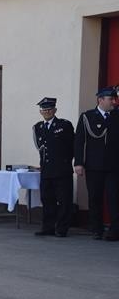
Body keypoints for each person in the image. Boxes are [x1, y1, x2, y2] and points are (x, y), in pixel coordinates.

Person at [74, 87, 119, 241]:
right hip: (94, 166)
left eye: (115, 99)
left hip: (114, 166)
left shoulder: (117, 115)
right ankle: (96, 228)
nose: (114, 102)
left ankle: (115, 230)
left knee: (114, 198)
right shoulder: (87, 117)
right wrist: (79, 163)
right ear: (100, 100)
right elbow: (79, 141)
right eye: (110, 99)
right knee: (95, 197)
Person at [32, 97, 74, 237]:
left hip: (62, 169)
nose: (46, 112)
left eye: (49, 109)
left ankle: (61, 228)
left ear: (55, 110)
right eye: (44, 110)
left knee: (64, 200)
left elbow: (72, 146)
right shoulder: (38, 127)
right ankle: (48, 227)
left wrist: (68, 162)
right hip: (46, 170)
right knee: (47, 199)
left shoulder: (64, 125)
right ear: (40, 112)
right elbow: (41, 148)